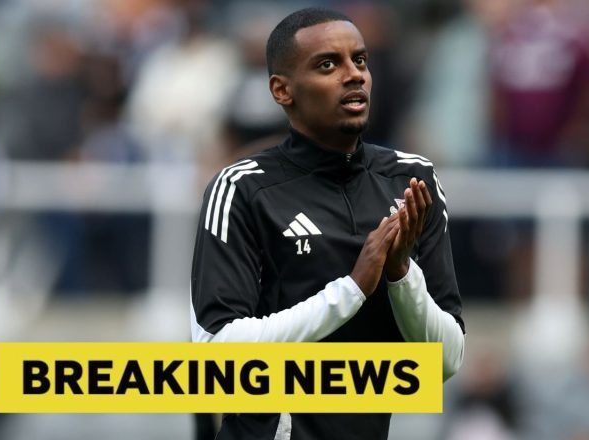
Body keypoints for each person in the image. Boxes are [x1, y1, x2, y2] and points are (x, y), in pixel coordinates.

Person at [190, 7, 465, 440]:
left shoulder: (413, 181)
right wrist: (351, 290)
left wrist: (400, 274)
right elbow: (215, 353)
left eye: (360, 60)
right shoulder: (242, 188)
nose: (354, 75)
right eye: (327, 65)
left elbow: (445, 362)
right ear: (282, 90)